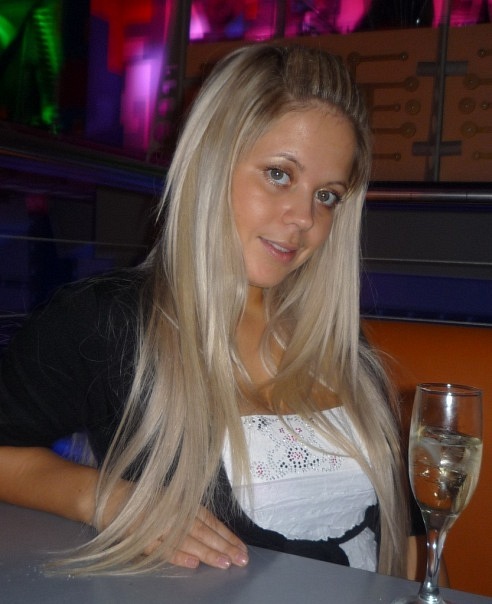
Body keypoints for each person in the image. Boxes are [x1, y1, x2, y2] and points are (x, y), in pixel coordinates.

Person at [0, 44, 417, 578]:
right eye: (279, 174)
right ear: (212, 162)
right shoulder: (108, 321)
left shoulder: (339, 344)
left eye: (328, 196)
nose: (304, 218)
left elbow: (410, 542)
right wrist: (107, 498)